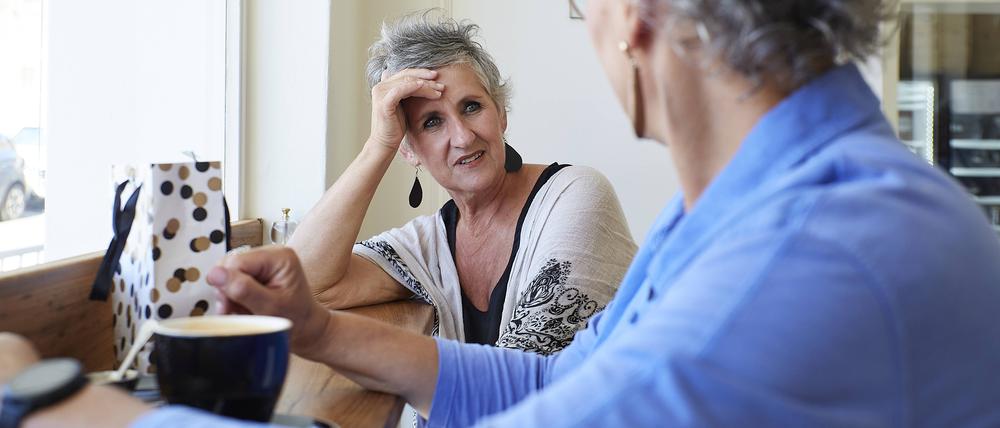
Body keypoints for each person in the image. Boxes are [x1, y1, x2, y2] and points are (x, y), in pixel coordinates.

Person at [4, 0, 1000, 426]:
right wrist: (317, 328)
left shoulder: (810, 259)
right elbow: (558, 381)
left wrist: (54, 400)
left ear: (636, 17)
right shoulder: (743, 214)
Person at [288, 11, 637, 354]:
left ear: (501, 113)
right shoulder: (428, 246)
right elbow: (302, 287)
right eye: (431, 122)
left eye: (471, 106)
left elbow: (526, 370)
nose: (463, 137)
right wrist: (378, 146)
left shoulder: (576, 196)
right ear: (409, 151)